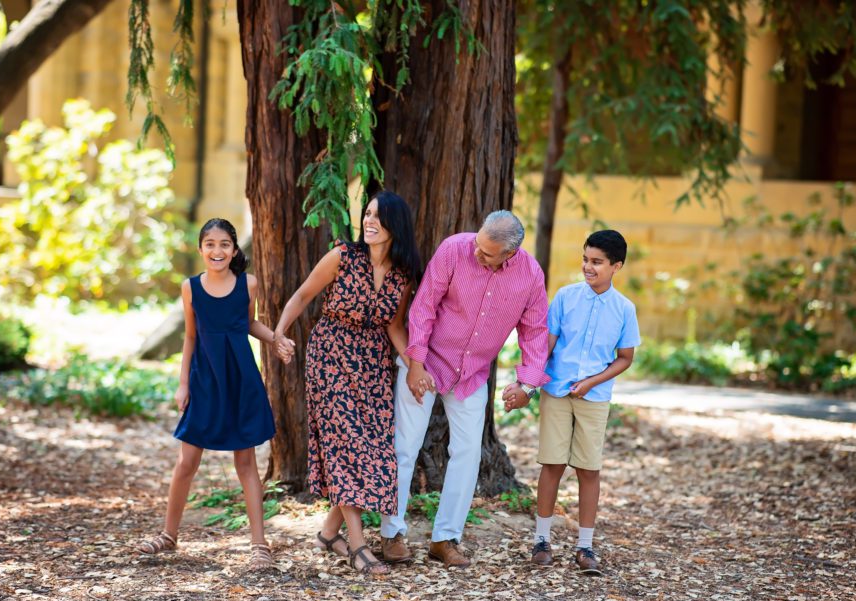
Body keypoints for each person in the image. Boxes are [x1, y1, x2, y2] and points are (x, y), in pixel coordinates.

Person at [380, 210, 549, 569]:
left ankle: (445, 538)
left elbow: (534, 332)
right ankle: (391, 533)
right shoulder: (455, 249)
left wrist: (528, 383)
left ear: (510, 253)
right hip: (428, 361)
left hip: (472, 373)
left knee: (469, 453)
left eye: (488, 253)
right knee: (405, 446)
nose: (478, 254)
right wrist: (415, 363)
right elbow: (423, 307)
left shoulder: (530, 275)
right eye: (479, 245)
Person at [269, 191, 421, 576]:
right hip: (331, 355)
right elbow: (303, 294)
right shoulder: (342, 256)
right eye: (367, 214)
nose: (369, 221)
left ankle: (329, 534)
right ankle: (358, 546)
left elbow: (394, 326)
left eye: (378, 217)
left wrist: (414, 366)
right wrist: (279, 334)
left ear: (394, 225)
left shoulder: (403, 276)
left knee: (372, 450)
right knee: (345, 445)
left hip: (372, 364)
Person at [136, 218, 280, 570]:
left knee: (245, 462)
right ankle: (169, 535)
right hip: (204, 380)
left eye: (224, 244)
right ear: (200, 249)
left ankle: (259, 545)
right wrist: (183, 383)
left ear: (234, 249)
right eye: (210, 244)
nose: (217, 251)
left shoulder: (248, 284)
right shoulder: (191, 288)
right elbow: (190, 337)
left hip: (240, 379)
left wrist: (277, 338)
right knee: (187, 461)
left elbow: (248, 324)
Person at [530, 229, 640, 576]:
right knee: (552, 464)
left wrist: (592, 382)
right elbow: (547, 344)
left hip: (594, 398)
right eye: (585, 259)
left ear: (616, 266)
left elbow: (625, 357)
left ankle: (585, 545)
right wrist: (530, 382)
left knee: (589, 469)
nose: (588, 267)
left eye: (597, 262)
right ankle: (541, 540)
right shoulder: (565, 297)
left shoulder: (624, 309)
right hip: (557, 391)